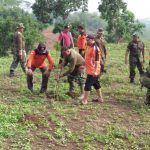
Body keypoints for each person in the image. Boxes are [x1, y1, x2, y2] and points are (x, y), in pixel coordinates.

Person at [81, 35, 103, 105]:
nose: (86, 41)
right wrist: (84, 65)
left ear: (92, 39)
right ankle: (100, 98)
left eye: (88, 40)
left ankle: (84, 100)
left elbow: (97, 61)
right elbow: (87, 58)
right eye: (86, 40)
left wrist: (96, 71)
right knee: (96, 84)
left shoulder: (95, 48)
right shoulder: (89, 47)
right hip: (90, 69)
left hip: (93, 71)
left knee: (87, 85)